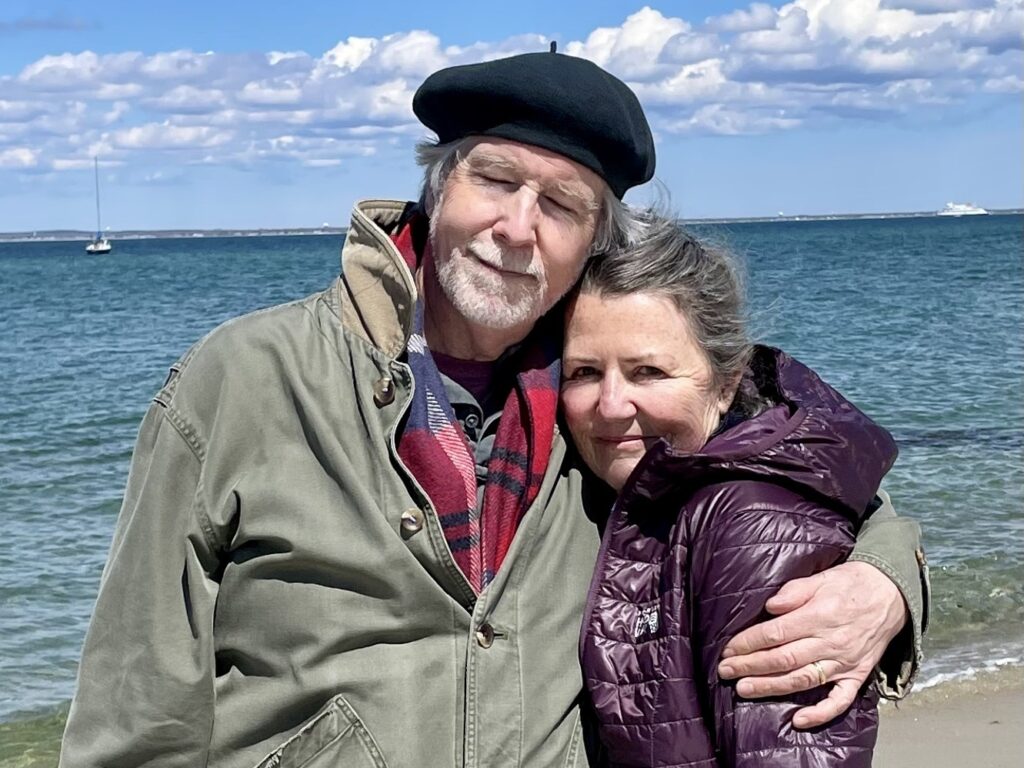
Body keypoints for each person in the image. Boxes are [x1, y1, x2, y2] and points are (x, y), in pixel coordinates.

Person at [59, 51, 925, 768]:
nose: (517, 226)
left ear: (594, 241)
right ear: (439, 189)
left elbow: (800, 462)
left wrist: (888, 581)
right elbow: (136, 712)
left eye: (560, 205)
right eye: (496, 180)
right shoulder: (247, 377)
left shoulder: (602, 402)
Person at [563, 214, 897, 766]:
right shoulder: (634, 496)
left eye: (648, 371)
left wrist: (891, 572)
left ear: (724, 384)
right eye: (584, 372)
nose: (611, 405)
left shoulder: (754, 525)